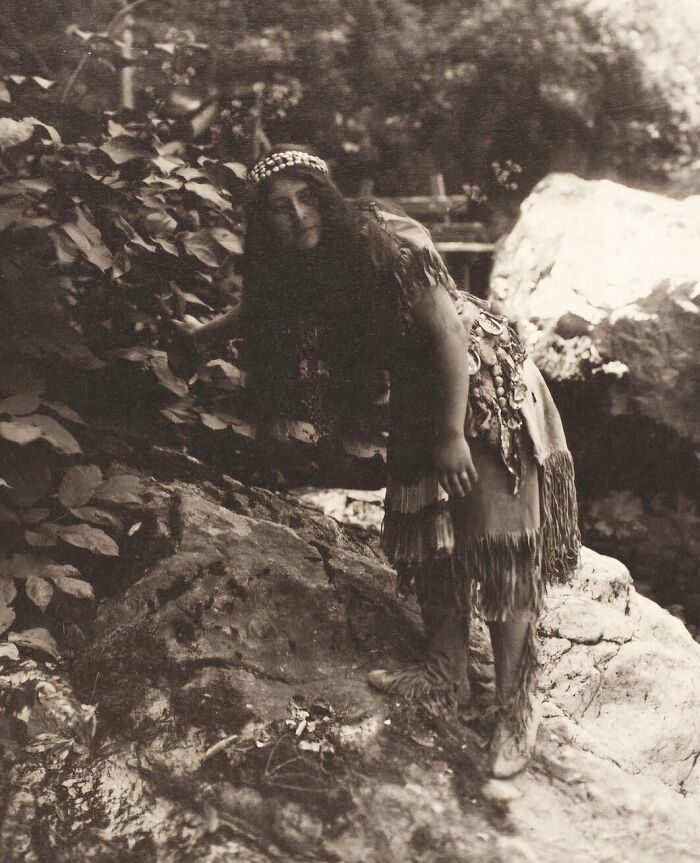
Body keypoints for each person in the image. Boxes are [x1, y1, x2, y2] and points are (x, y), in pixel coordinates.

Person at [175, 144, 581, 778]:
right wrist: (204, 336)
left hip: (479, 382)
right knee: (433, 536)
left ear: (328, 197)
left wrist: (450, 436)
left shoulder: (388, 243)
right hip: (421, 392)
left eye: (308, 197)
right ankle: (447, 675)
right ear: (265, 223)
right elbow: (266, 308)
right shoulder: (292, 262)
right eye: (281, 209)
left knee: (498, 547)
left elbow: (447, 334)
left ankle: (516, 705)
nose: (299, 215)